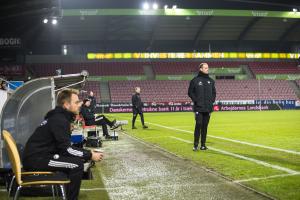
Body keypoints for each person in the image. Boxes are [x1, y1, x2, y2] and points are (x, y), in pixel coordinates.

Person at [22, 89, 104, 200]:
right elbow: (67, 149)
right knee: (76, 165)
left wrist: (85, 154)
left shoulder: (58, 117)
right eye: (76, 102)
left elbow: (63, 147)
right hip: (37, 158)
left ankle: (65, 193)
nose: (79, 104)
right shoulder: (59, 120)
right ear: (66, 105)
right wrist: (89, 155)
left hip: (39, 155)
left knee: (74, 161)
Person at [188, 63, 216, 151]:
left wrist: (211, 101)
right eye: (205, 68)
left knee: (205, 126)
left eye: (208, 68)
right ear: (201, 69)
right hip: (198, 107)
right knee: (198, 124)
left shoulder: (211, 81)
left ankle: (203, 145)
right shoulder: (195, 80)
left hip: (208, 108)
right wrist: (196, 100)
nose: (207, 69)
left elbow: (214, 93)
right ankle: (195, 145)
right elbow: (190, 92)